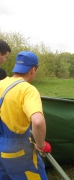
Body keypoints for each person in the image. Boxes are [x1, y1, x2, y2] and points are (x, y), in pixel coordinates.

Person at [0, 51, 51, 179]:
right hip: (18, 149)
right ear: (33, 70)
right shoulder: (27, 90)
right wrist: (41, 145)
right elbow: (38, 121)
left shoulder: (1, 83)